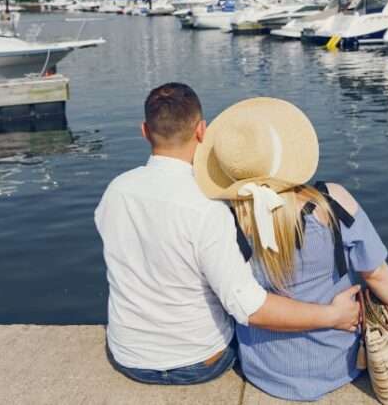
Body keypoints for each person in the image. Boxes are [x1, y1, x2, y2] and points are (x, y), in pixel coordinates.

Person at [94, 83, 360, 386]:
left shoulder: (115, 191)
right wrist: (333, 316)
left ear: (144, 130)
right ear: (201, 131)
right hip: (197, 361)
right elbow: (249, 307)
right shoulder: (208, 205)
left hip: (127, 355)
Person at [193, 96, 388, 401]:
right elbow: (375, 273)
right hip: (338, 364)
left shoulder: (226, 218)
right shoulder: (332, 202)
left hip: (264, 369)